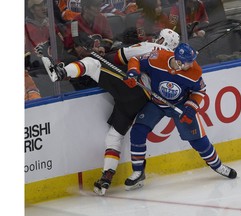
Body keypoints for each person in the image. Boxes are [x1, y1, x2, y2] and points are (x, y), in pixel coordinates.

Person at [41, 29, 180, 195]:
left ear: (163, 40)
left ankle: (60, 72)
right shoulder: (174, 62)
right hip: (142, 100)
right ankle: (106, 178)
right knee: (114, 136)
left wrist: (99, 56)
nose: (156, 38)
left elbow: (119, 57)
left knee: (92, 64)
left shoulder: (151, 47)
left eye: (159, 37)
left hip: (131, 88)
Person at [123, 43, 237, 191]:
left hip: (180, 106)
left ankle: (218, 166)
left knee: (198, 141)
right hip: (157, 104)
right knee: (138, 131)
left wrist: (191, 107)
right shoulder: (158, 57)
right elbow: (136, 59)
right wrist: (133, 71)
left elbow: (200, 90)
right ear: (178, 60)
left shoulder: (195, 71)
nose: (191, 64)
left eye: (192, 61)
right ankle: (138, 171)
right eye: (188, 61)